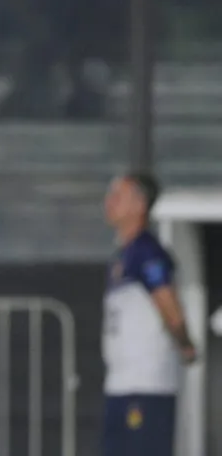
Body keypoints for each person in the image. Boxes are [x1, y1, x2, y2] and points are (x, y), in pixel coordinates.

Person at [102, 172, 197, 456]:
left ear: (138, 205)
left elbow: (167, 301)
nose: (108, 203)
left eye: (117, 196)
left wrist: (185, 343)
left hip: (145, 384)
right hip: (121, 383)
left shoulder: (147, 251)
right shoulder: (125, 253)